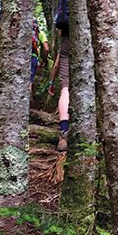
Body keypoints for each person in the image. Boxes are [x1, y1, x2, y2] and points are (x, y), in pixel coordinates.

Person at [48, 19, 71, 152]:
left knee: (65, 89)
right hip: (87, 39)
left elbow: (56, 65)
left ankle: (63, 132)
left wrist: (51, 82)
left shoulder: (64, 43)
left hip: (67, 45)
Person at [30, 19, 49, 84]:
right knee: (30, 81)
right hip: (33, 57)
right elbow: (46, 49)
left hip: (20, 57)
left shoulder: (22, 31)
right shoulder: (41, 33)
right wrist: (44, 61)